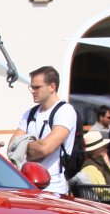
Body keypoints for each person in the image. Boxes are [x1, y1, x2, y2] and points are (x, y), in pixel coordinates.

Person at [9, 65, 76, 195]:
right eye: (31, 87)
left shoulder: (65, 111)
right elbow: (12, 147)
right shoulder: (30, 113)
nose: (32, 91)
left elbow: (45, 148)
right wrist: (33, 147)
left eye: (37, 87)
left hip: (53, 188)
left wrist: (23, 146)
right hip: (26, 185)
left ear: (52, 87)